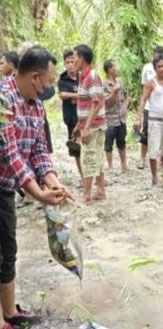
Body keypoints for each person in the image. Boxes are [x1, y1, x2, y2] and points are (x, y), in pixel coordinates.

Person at [0, 46, 69, 329]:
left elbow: (39, 150)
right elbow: (10, 152)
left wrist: (52, 181)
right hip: (6, 177)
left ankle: (10, 313)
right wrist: (38, 193)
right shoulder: (3, 99)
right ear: (35, 78)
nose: (51, 87)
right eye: (50, 81)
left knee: (8, 250)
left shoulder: (37, 106)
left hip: (4, 188)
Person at [136, 54, 163, 187]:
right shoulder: (151, 83)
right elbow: (143, 100)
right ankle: (154, 177)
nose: (162, 68)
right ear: (155, 68)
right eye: (159, 66)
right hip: (154, 121)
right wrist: (138, 118)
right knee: (153, 151)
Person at [73, 44, 107, 204]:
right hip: (92, 125)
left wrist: (86, 127)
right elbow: (86, 103)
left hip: (94, 126)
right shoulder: (84, 76)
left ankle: (86, 195)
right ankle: (100, 191)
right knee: (97, 158)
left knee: (89, 159)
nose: (73, 61)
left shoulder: (92, 76)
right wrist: (78, 125)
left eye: (75, 57)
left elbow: (97, 102)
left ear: (82, 58)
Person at [57, 49, 82, 179]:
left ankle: (91, 174)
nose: (71, 64)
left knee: (88, 147)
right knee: (76, 149)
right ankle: (83, 176)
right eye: (68, 62)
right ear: (64, 63)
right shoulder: (62, 79)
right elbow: (62, 95)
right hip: (71, 119)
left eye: (73, 61)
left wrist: (71, 96)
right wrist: (78, 96)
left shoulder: (83, 77)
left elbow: (87, 95)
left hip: (85, 118)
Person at [102, 59, 129, 172]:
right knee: (109, 143)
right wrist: (114, 91)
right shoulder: (104, 85)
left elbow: (126, 96)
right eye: (115, 66)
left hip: (121, 118)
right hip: (110, 119)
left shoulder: (120, 82)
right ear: (109, 69)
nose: (117, 68)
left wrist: (126, 105)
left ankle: (124, 165)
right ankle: (110, 166)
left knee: (122, 142)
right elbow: (106, 101)